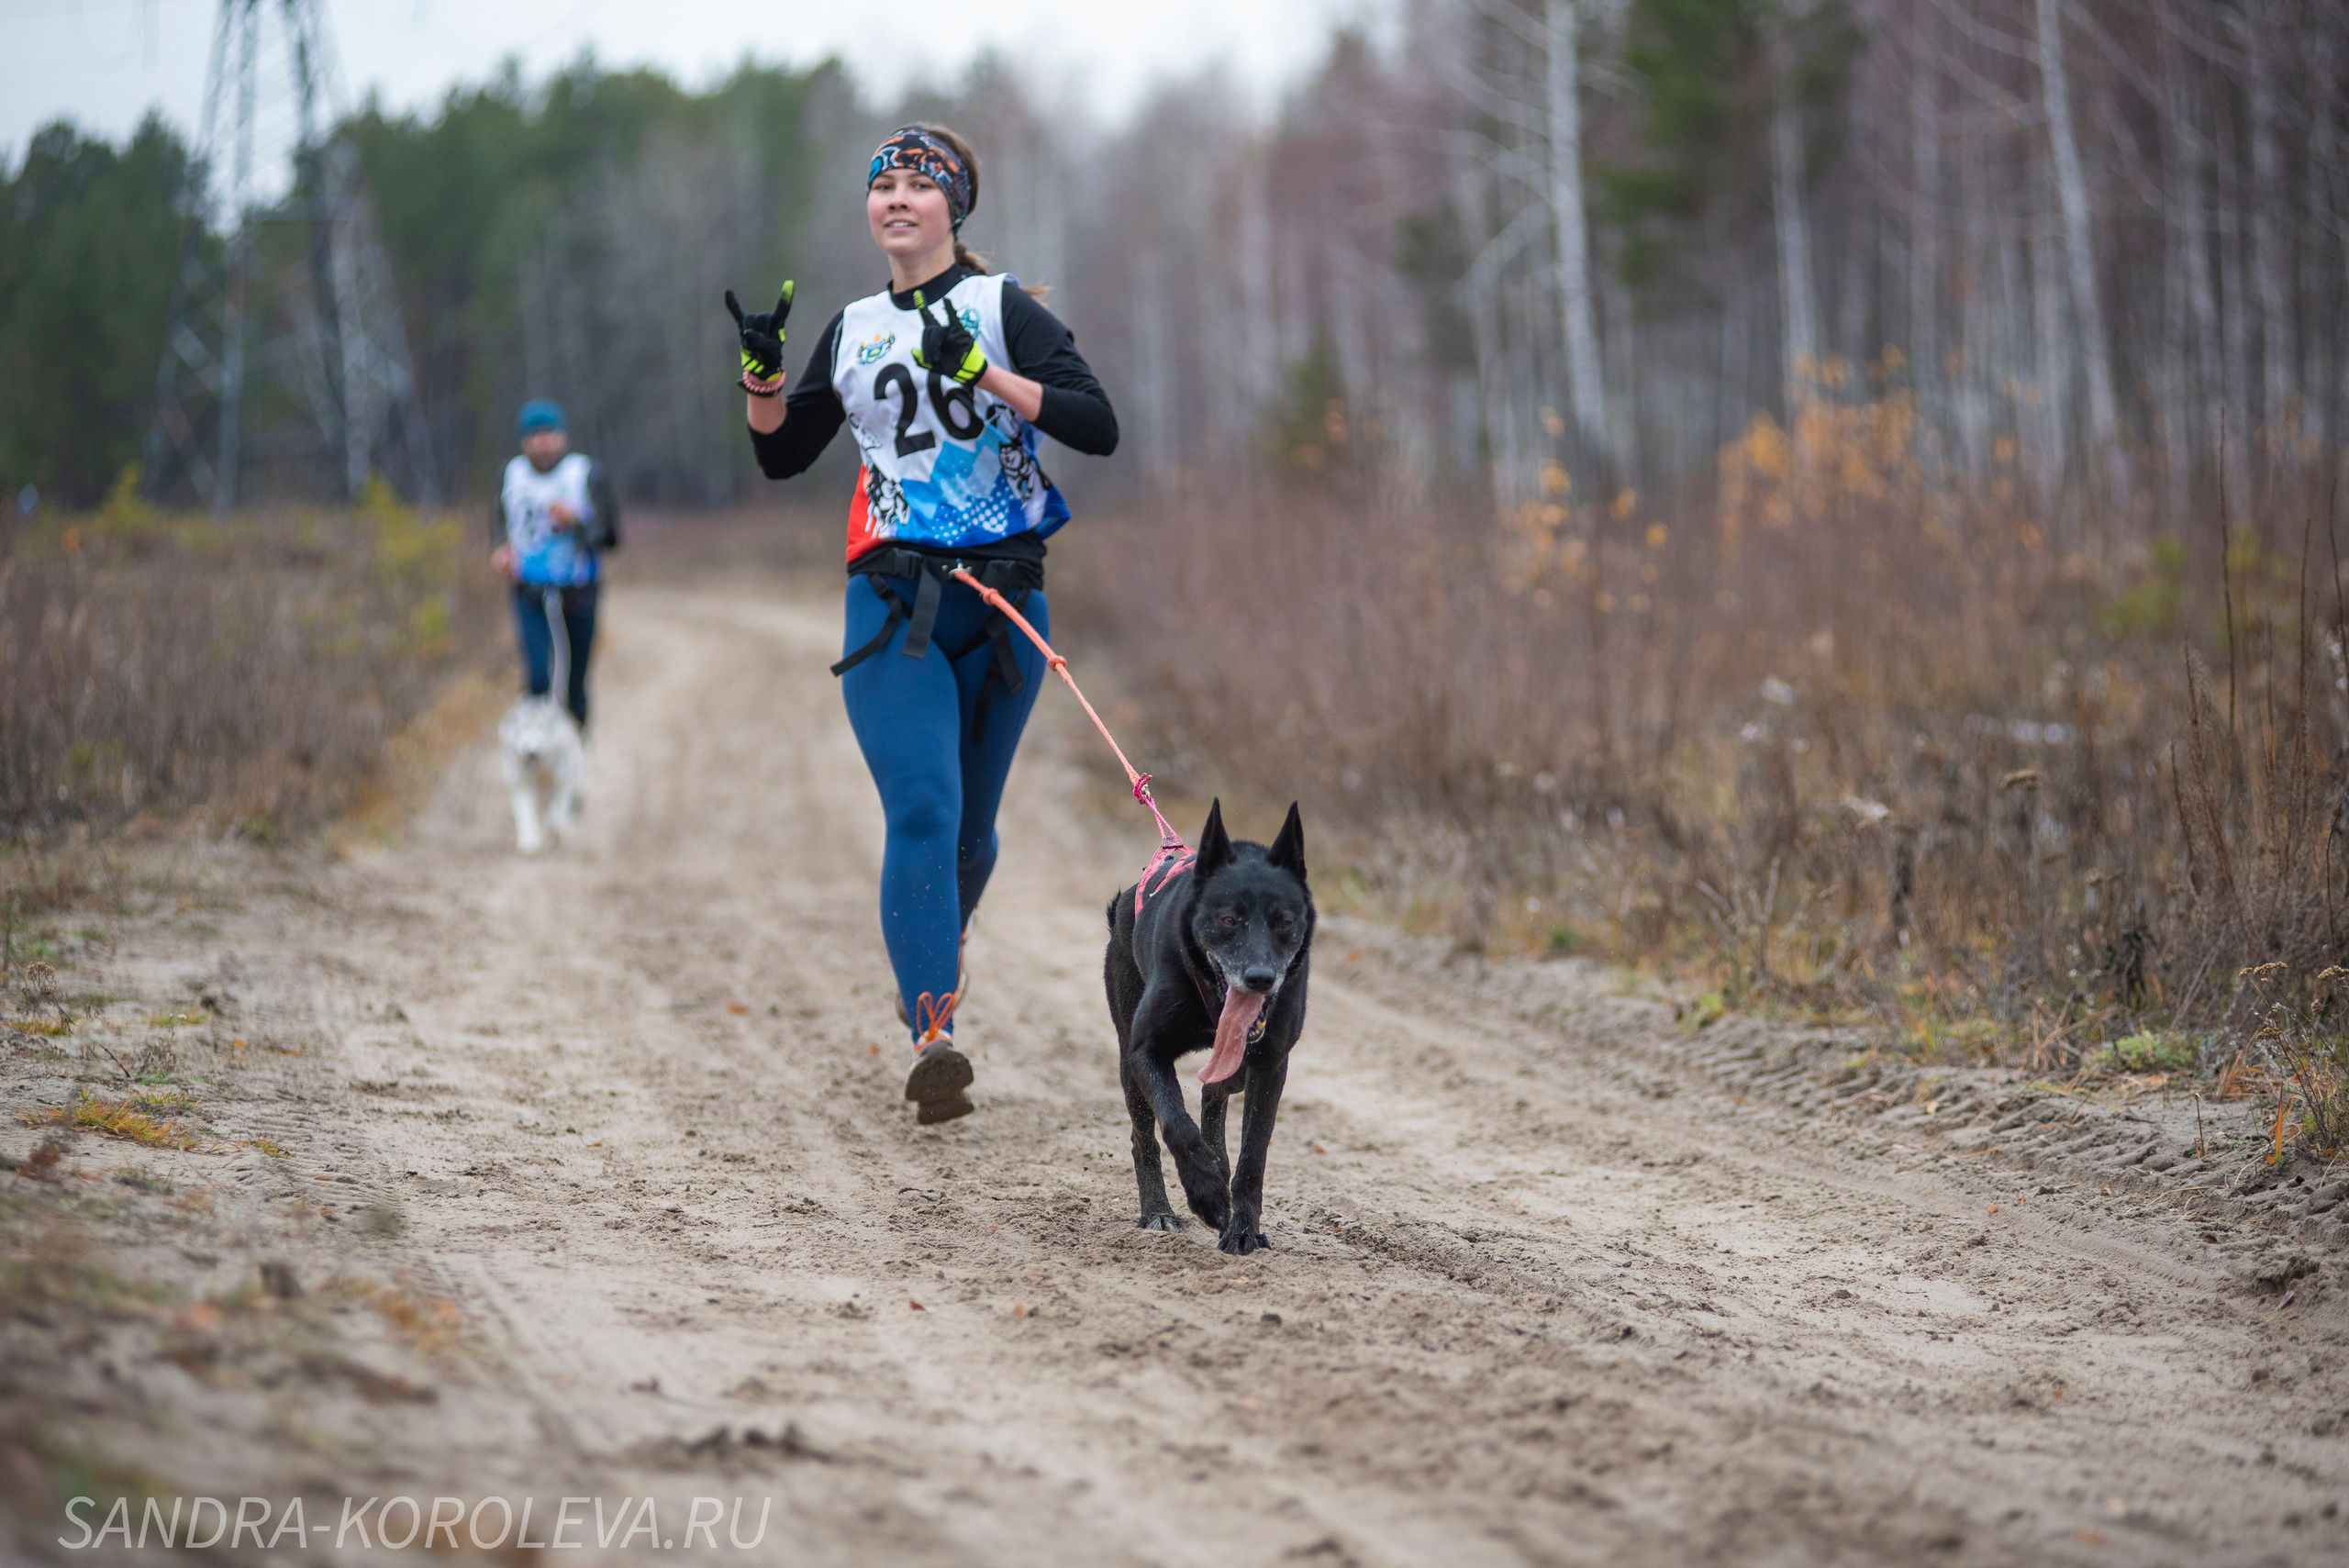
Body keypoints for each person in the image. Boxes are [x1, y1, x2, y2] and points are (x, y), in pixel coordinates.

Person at [729, 124, 1118, 1124]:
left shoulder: (1004, 308)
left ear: (954, 207)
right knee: (922, 809)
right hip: (892, 601)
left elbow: (1095, 423)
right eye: (882, 185)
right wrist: (763, 382)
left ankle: (939, 942)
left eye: (917, 184)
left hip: (1000, 607)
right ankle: (933, 1035)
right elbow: (782, 458)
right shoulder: (854, 324)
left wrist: (985, 369)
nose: (896, 198)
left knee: (971, 836)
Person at [493, 399, 619, 732]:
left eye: (549, 433)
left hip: (579, 591)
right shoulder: (510, 475)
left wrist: (576, 523)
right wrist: (499, 551)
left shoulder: (587, 474)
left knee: (575, 683)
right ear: (523, 440)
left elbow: (610, 535)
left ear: (563, 436)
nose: (543, 441)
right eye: (534, 434)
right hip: (529, 589)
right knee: (537, 679)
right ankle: (539, 761)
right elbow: (499, 521)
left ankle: (575, 761)